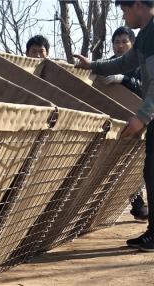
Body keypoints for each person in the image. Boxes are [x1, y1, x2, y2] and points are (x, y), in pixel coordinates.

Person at [74, 0, 154, 252]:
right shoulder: (145, 35)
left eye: (124, 10)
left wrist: (143, 115)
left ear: (138, 5)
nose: (123, 16)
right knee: (150, 173)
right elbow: (124, 62)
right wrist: (93, 65)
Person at [106, 26, 148, 221]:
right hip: (113, 121)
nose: (120, 46)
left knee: (132, 166)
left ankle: (138, 205)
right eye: (116, 42)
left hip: (137, 122)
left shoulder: (141, 66)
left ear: (132, 44)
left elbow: (145, 90)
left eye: (124, 41)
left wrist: (124, 79)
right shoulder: (107, 65)